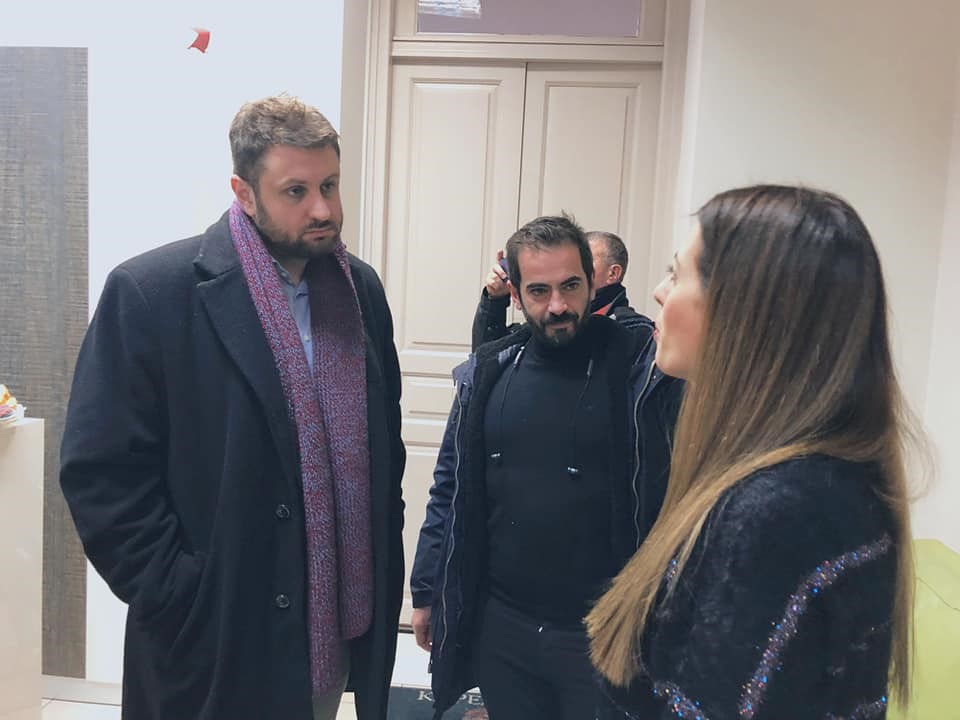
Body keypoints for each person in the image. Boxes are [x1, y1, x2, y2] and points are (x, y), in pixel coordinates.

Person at [60, 95, 406, 720]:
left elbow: (386, 449)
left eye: (330, 185)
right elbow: (100, 473)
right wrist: (180, 593)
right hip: (213, 639)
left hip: (332, 632)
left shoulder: (361, 291)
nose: (323, 209)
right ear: (244, 193)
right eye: (296, 191)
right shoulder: (152, 293)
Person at [587, 185, 917, 719]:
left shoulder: (780, 512)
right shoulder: (810, 484)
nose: (659, 292)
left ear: (744, 311)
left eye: (676, 273)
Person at [410, 215, 683, 719]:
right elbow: (449, 486)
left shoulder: (641, 367)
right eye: (539, 290)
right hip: (503, 628)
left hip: (603, 632)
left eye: (570, 286)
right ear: (515, 294)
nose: (557, 305)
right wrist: (427, 589)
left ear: (593, 283)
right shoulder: (487, 373)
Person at [471, 230, 645, 350]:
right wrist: (495, 300)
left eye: (587, 260)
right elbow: (485, 362)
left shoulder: (636, 335)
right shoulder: (549, 316)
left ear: (613, 273)